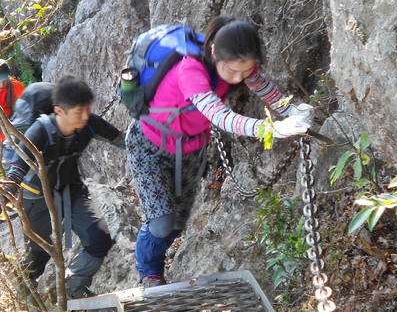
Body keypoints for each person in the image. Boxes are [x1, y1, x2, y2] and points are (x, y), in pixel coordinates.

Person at [126, 15, 313, 287]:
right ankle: (149, 273)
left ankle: (156, 261)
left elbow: (269, 92)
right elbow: (221, 116)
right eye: (232, 71)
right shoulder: (189, 70)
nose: (238, 77)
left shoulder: (239, 65)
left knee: (176, 222)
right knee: (161, 223)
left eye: (245, 70)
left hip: (189, 148)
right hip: (148, 144)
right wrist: (273, 129)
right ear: (214, 53)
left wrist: (294, 112)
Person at [0, 76, 125, 299]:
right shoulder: (39, 132)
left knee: (99, 240)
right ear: (59, 110)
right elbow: (16, 172)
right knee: (39, 252)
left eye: (87, 111)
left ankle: (71, 289)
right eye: (78, 112)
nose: (85, 117)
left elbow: (122, 140)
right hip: (36, 195)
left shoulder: (89, 124)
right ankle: (24, 292)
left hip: (71, 190)